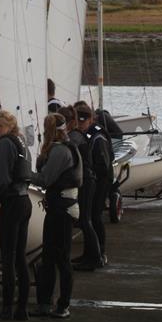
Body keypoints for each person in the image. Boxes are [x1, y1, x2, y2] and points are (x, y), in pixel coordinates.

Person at [28, 112, 82, 318]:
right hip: (62, 208)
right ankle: (47, 304)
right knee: (52, 258)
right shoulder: (68, 147)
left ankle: (61, 305)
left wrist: (25, 173)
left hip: (62, 210)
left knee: (59, 259)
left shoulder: (60, 151)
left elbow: (45, 179)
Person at [0, 109, 33, 320]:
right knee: (20, 256)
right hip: (25, 201)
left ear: (8, 127)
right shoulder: (20, 141)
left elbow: (0, 178)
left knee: (9, 256)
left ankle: (7, 308)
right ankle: (22, 307)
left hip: (13, 203)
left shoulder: (5, 144)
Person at [64, 105, 102, 271]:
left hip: (86, 181)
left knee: (85, 220)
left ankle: (95, 258)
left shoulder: (73, 137)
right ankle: (89, 256)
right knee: (85, 220)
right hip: (87, 179)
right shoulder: (78, 135)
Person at [74, 102, 112, 267]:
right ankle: (89, 253)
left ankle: (99, 253)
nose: (80, 125)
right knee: (89, 218)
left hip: (100, 181)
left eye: (83, 122)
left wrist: (89, 173)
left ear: (90, 120)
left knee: (94, 217)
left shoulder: (97, 137)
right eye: (78, 122)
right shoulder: (89, 135)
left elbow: (103, 165)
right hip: (96, 180)